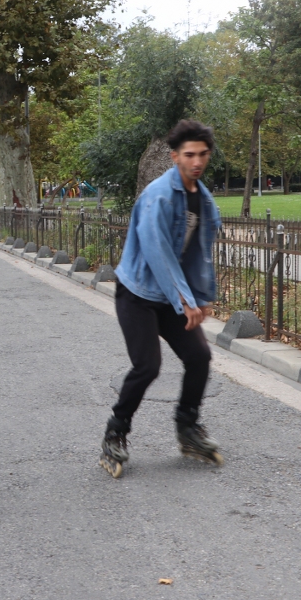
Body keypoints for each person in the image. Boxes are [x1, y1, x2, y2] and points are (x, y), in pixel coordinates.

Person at [100, 120, 222, 479]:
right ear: (174, 157)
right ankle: (115, 432)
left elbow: (201, 252)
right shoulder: (159, 195)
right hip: (138, 293)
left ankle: (187, 426)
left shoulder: (204, 199)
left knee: (199, 355)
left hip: (174, 295)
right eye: (189, 155)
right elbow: (158, 252)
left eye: (202, 154)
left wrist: (202, 297)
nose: (196, 161)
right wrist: (186, 299)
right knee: (147, 366)